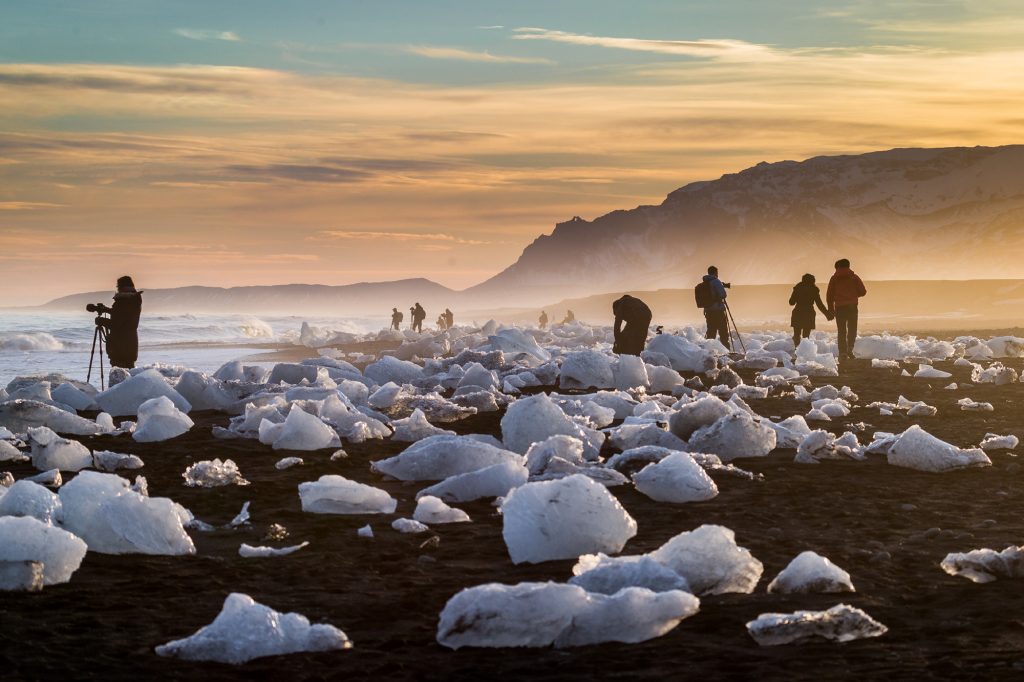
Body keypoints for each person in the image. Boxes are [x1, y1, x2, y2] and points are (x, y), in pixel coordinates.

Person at [826, 258, 867, 359]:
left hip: (839, 307)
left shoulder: (834, 278)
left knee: (841, 330)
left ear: (837, 267)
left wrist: (830, 309)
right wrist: (853, 295)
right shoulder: (854, 277)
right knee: (852, 328)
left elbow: (829, 296)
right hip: (852, 306)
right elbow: (863, 291)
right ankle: (850, 348)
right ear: (848, 266)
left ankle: (843, 352)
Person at [101, 275, 143, 369]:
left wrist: (101, 321)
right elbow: (124, 317)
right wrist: (106, 310)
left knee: (119, 378)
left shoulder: (122, 301)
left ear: (121, 287)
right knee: (129, 376)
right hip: (131, 344)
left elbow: (116, 325)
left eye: (118, 286)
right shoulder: (134, 300)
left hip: (119, 347)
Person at [789, 274, 832, 348]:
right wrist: (827, 314)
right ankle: (804, 351)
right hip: (809, 313)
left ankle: (797, 350)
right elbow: (819, 304)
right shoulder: (814, 289)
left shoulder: (797, 288)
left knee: (797, 334)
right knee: (806, 335)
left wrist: (796, 293)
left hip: (798, 312)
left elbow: (791, 302)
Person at [701, 266, 731, 350]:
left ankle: (708, 352)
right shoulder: (716, 281)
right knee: (723, 332)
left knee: (711, 332)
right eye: (717, 273)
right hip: (718, 311)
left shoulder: (705, 282)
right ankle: (726, 351)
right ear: (715, 273)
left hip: (708, 311)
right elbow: (723, 294)